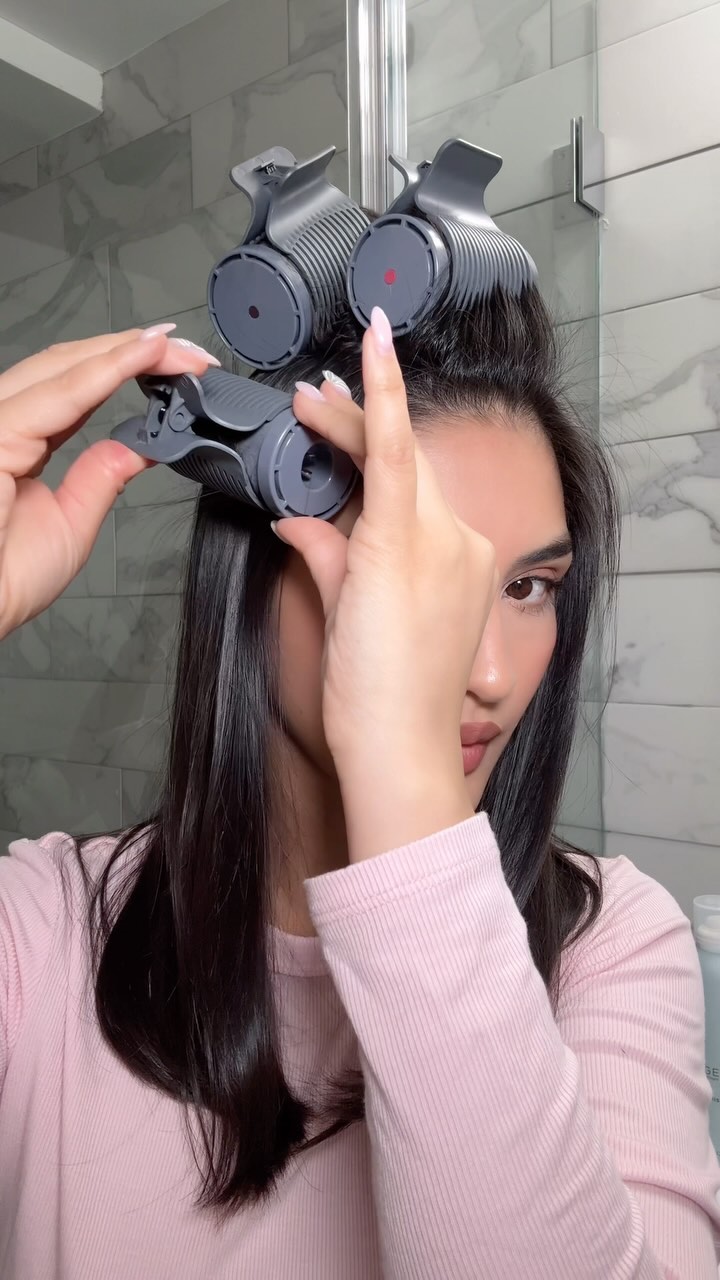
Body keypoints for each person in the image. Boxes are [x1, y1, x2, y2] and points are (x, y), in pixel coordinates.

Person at [0, 291, 718, 1280]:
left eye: (527, 588)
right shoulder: (40, 934)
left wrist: (407, 797)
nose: (491, 673)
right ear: (253, 586)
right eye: (411, 572)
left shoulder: (612, 944)